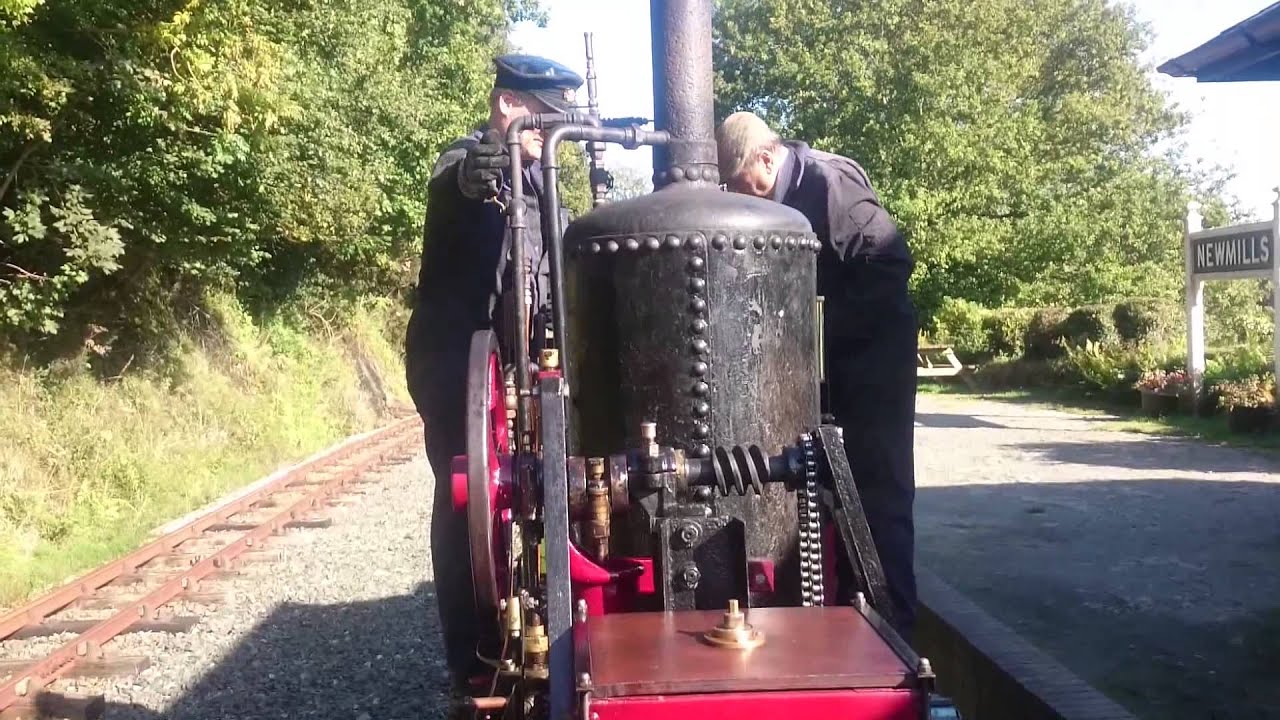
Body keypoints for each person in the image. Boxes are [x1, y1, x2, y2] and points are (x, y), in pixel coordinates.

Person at [404, 54, 584, 695]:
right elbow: (460, 182)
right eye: (541, 121)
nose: (549, 133)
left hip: (517, 364)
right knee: (466, 503)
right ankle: (473, 661)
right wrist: (484, 165)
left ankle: (544, 618)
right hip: (455, 363)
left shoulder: (539, 183)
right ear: (507, 105)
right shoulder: (464, 164)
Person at [715, 111, 919, 641]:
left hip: (874, 357)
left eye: (743, 185)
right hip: (830, 358)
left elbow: (890, 261)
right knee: (826, 486)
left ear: (766, 156)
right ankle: (845, 615)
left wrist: (828, 327)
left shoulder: (829, 183)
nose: (745, 196)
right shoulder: (780, 193)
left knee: (878, 491)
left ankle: (894, 631)